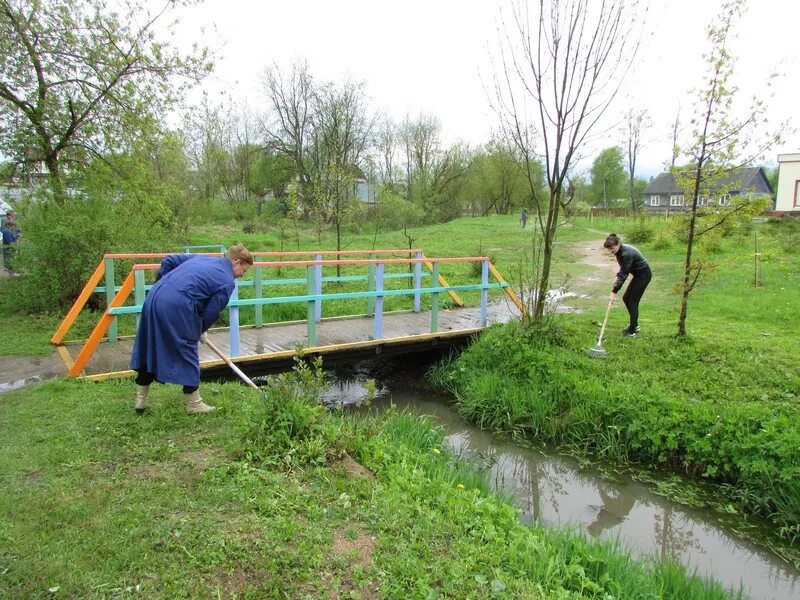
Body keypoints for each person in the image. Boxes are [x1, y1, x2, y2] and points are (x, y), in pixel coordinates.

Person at [130, 243, 254, 414]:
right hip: (176, 306)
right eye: (244, 271)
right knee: (187, 347)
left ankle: (141, 400)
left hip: (153, 298)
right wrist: (199, 331)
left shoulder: (202, 258)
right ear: (237, 262)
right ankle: (194, 404)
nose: (242, 276)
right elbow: (210, 314)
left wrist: (164, 284)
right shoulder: (226, 282)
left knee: (150, 345)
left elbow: (169, 260)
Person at [604, 233, 651, 337]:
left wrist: (614, 292)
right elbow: (624, 267)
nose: (610, 251)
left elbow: (625, 274)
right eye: (609, 249)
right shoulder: (619, 252)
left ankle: (632, 330)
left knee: (633, 301)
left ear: (618, 244)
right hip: (638, 275)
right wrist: (617, 275)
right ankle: (635, 325)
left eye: (612, 248)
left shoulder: (626, 253)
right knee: (626, 299)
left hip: (644, 275)